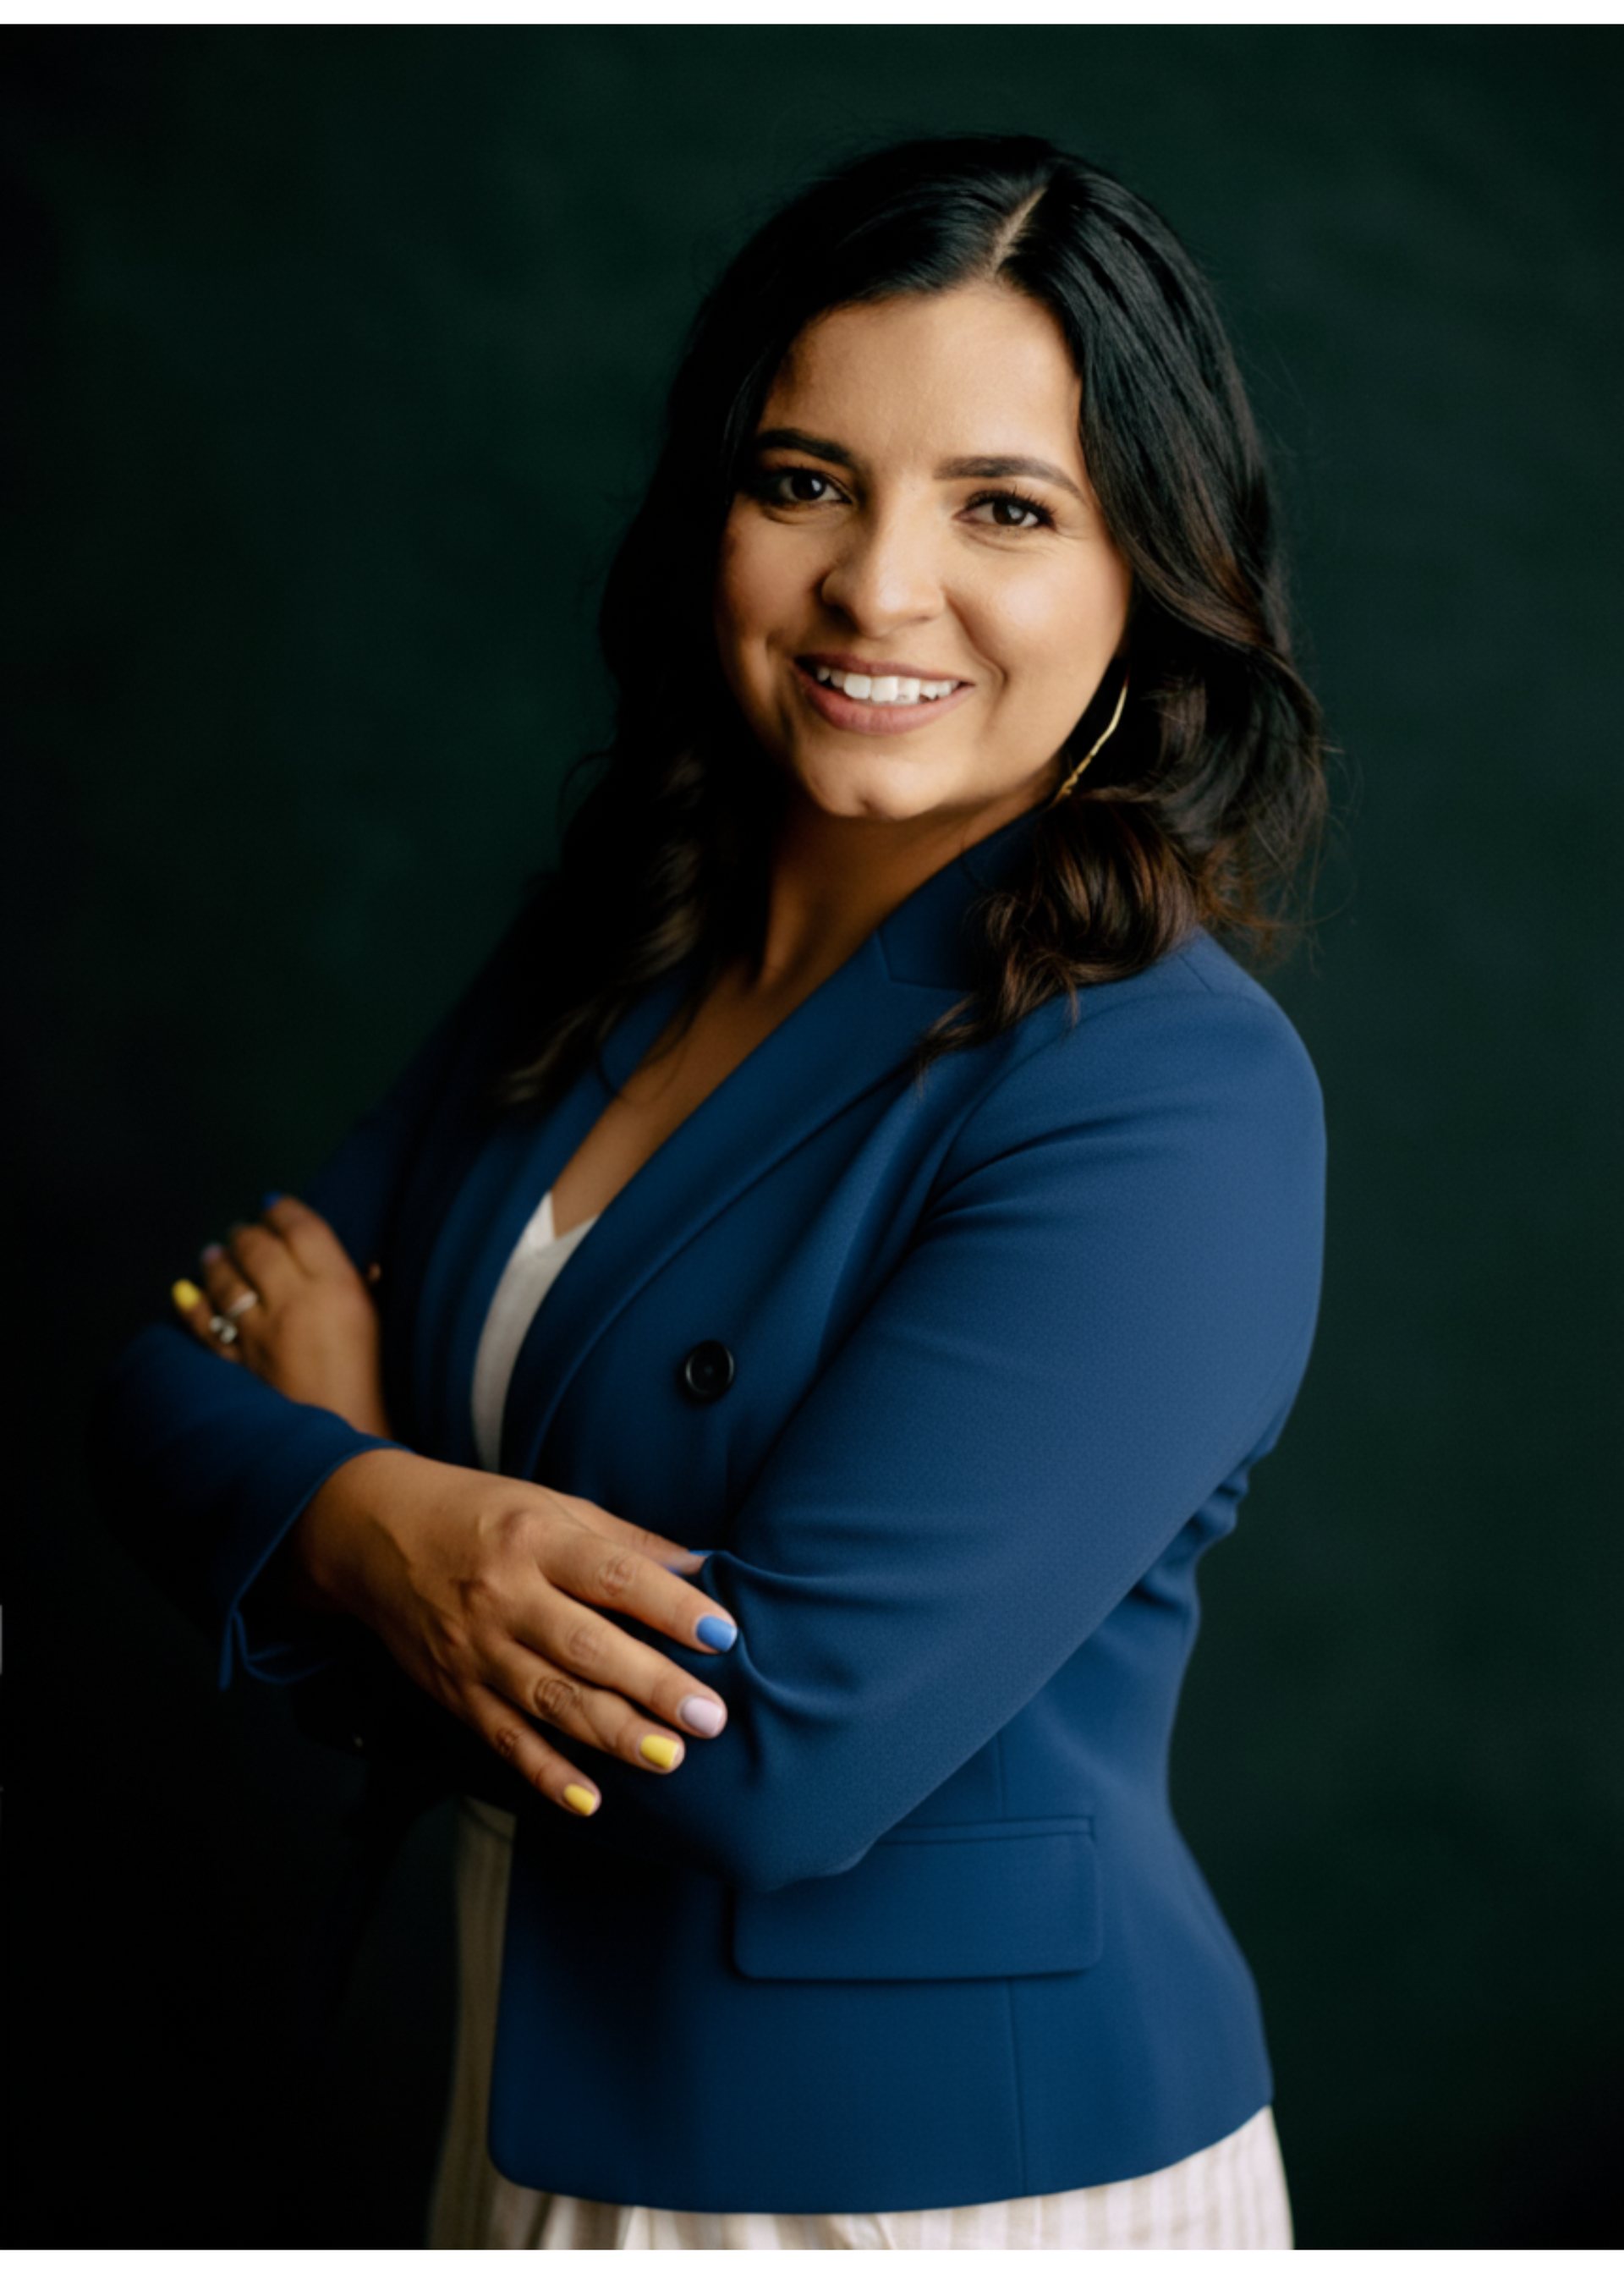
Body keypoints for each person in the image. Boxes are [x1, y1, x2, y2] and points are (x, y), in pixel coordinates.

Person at [93, 135, 1327, 2249]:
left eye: (1005, 508)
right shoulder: (610, 942)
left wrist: (352, 1493)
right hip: (531, 2094)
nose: (878, 588)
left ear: (1153, 568)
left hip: (938, 2184)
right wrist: (377, 1521)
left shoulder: (1166, 1094)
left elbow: (763, 1758)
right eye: (806, 479)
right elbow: (157, 1382)